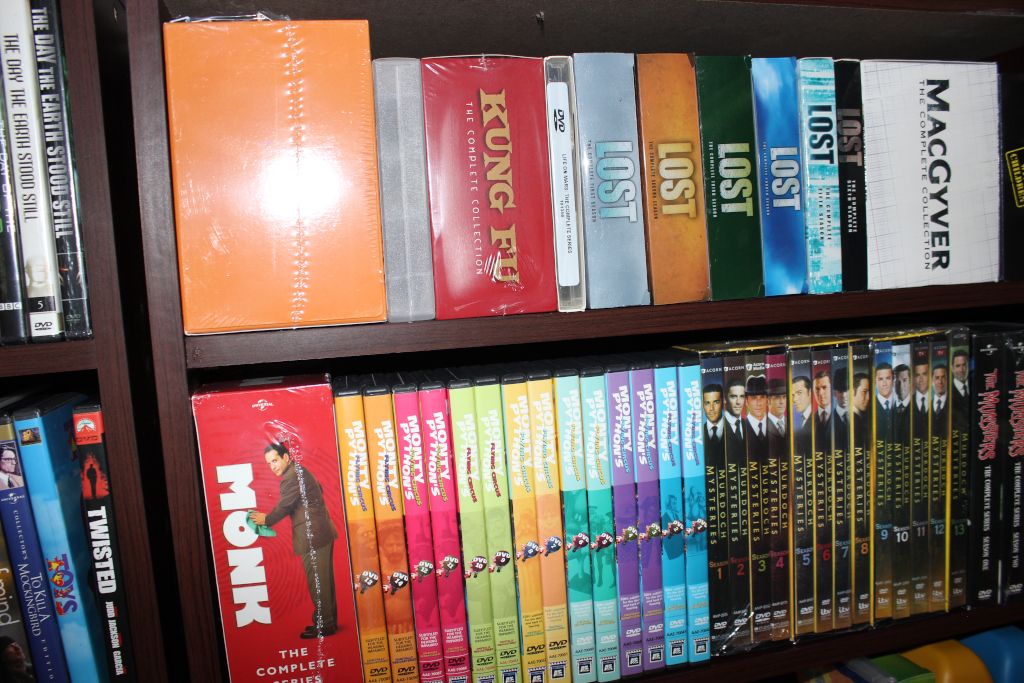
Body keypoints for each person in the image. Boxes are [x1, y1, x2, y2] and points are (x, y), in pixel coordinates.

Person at [249, 444, 338, 639]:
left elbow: (284, 506)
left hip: (313, 535)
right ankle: (328, 622)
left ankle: (325, 624)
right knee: (323, 580)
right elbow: (318, 490)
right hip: (320, 532)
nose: (272, 466)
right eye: (269, 463)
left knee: (317, 582)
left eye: (275, 460)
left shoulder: (292, 477)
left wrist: (266, 519)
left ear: (286, 457)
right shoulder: (299, 471)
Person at [703, 383, 725, 467]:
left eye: (716, 402)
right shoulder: (698, 434)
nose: (711, 408)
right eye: (707, 403)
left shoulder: (735, 430)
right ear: (703, 405)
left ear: (723, 403)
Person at [932, 364, 948, 430]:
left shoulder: (954, 404)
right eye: (937, 378)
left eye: (943, 377)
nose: (940, 382)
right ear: (932, 381)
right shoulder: (926, 406)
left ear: (947, 380)